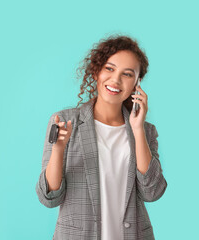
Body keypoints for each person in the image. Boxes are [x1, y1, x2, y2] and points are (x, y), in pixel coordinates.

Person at [35, 34, 168, 240]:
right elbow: (49, 197)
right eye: (109, 68)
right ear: (96, 71)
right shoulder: (65, 121)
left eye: (127, 74)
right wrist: (59, 150)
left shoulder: (146, 130)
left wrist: (138, 130)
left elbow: (153, 192)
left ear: (137, 83)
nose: (116, 80)